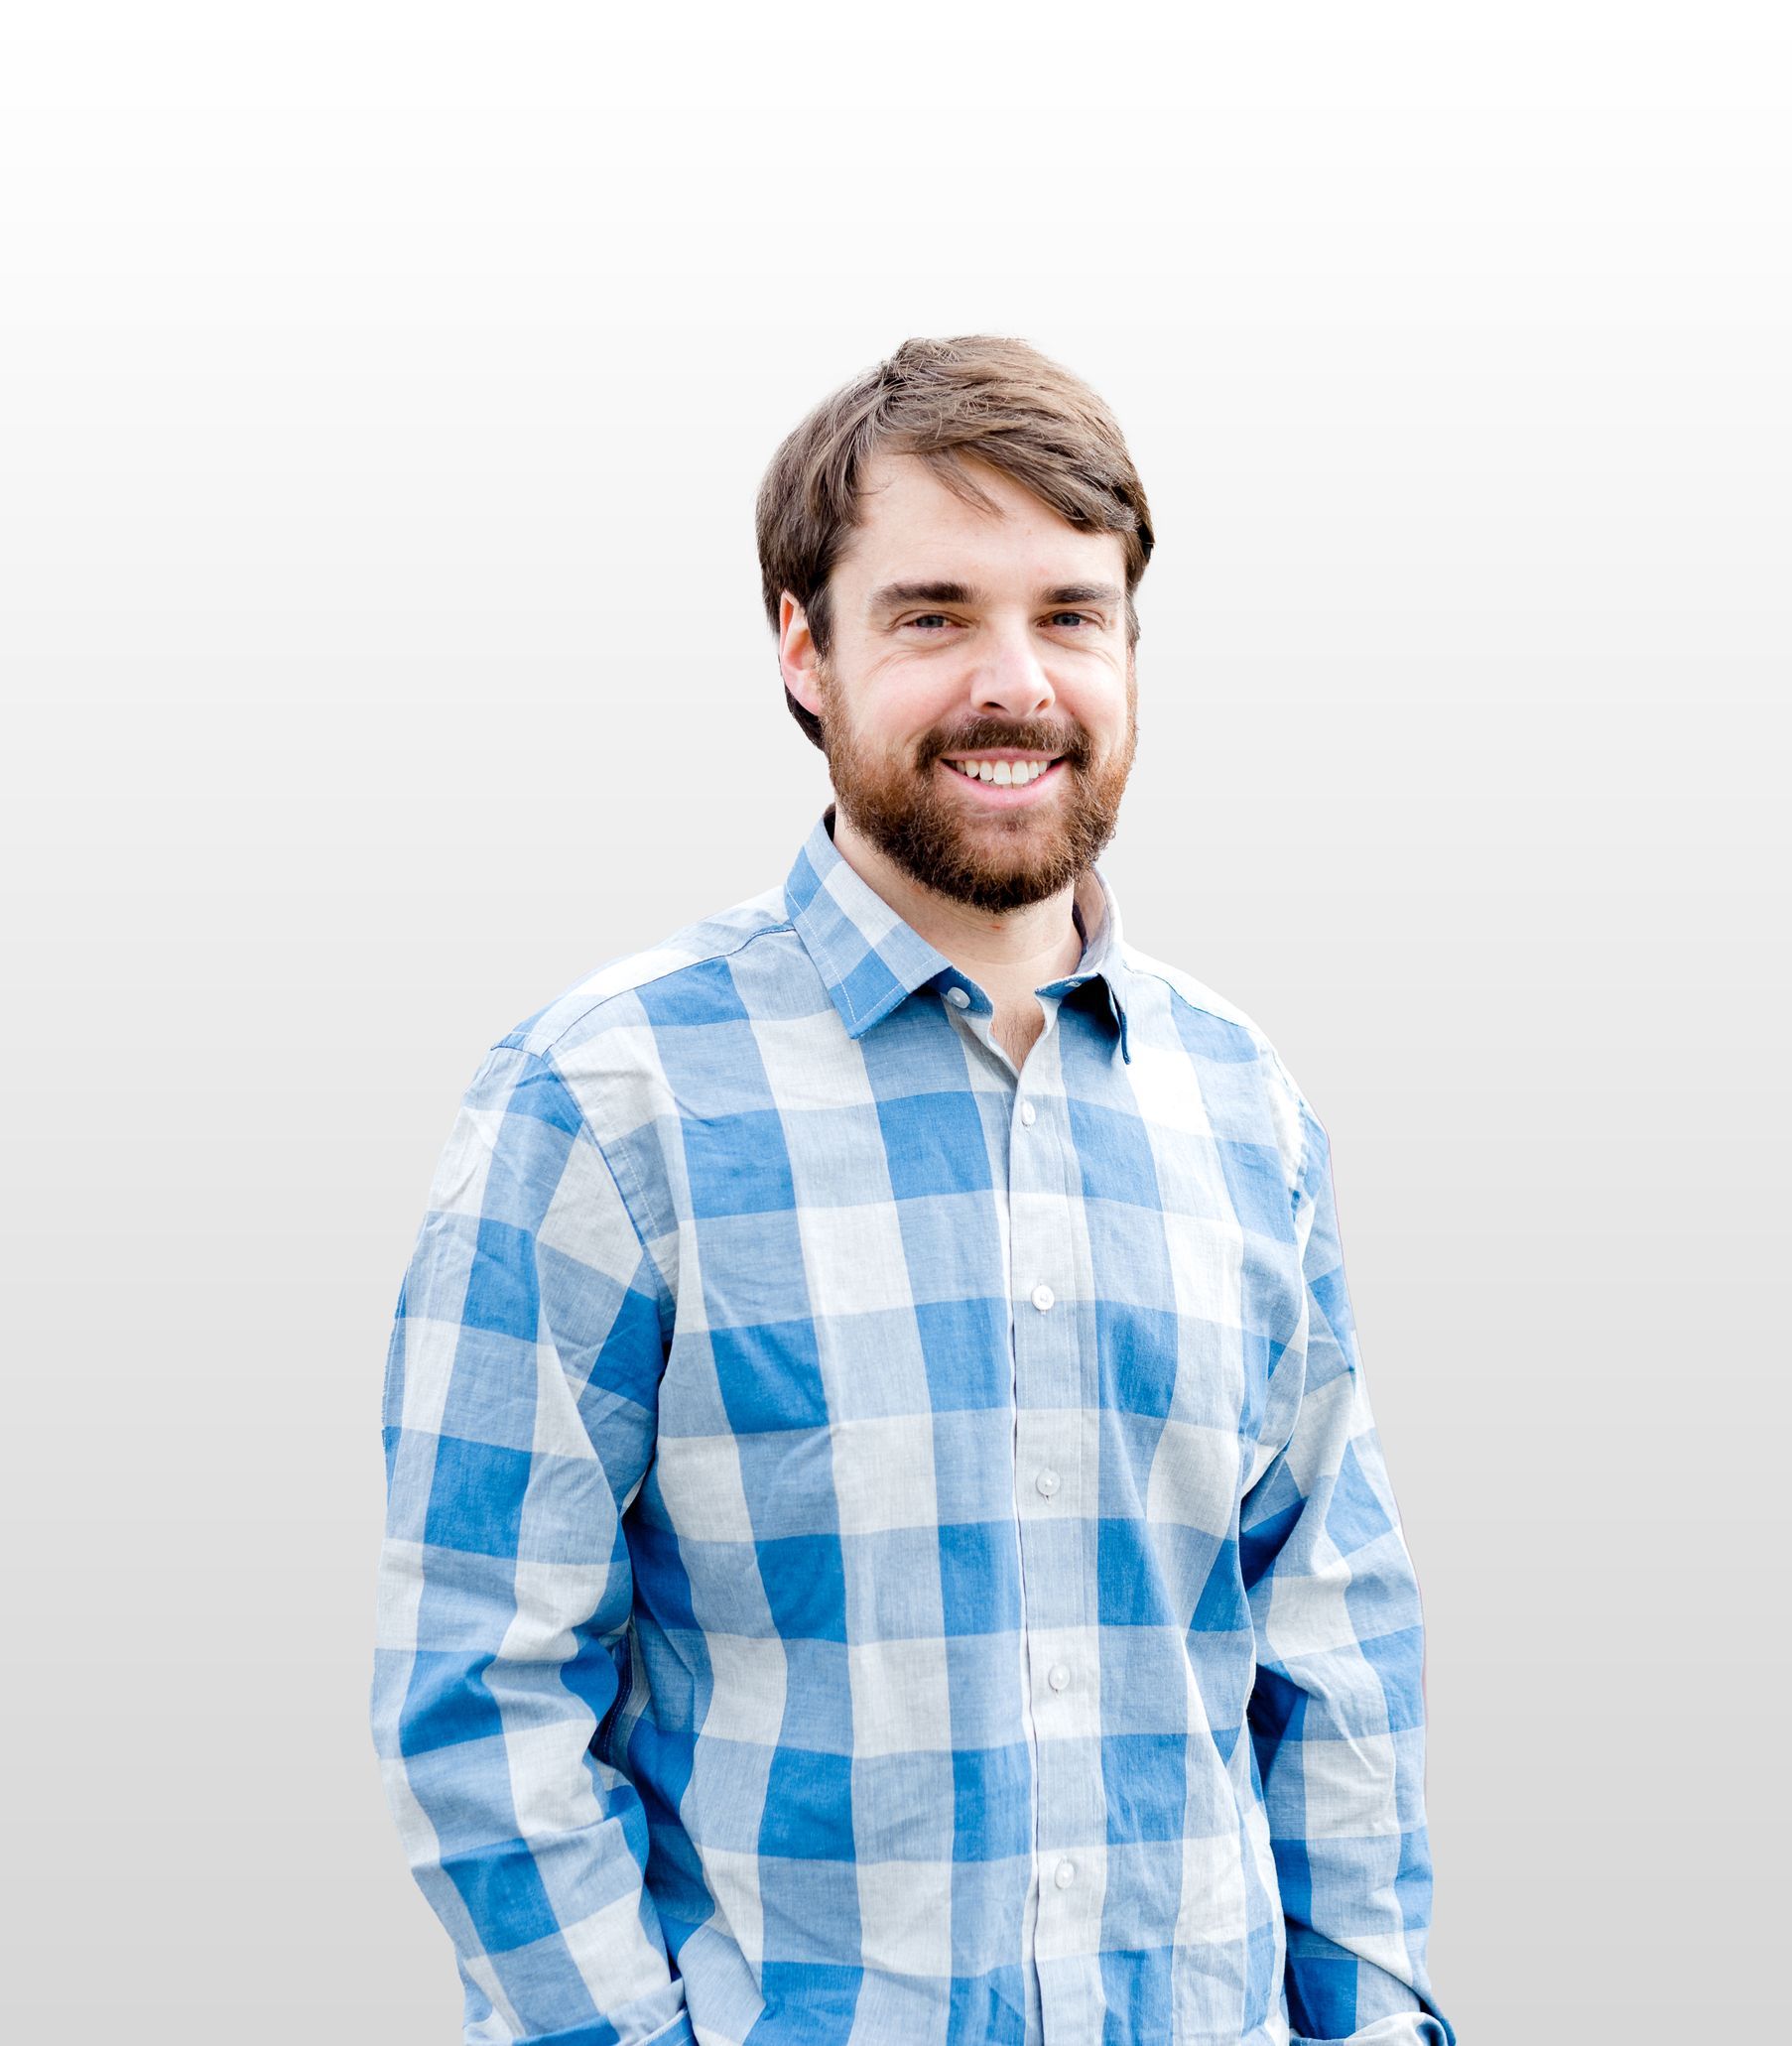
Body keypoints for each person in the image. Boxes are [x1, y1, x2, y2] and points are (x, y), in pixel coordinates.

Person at [371, 334, 1456, 2046]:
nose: (1013, 681)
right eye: (934, 613)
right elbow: (479, 1689)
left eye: (1070, 613)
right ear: (804, 650)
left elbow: (1330, 1641)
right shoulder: (604, 1104)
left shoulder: (1245, 1107)